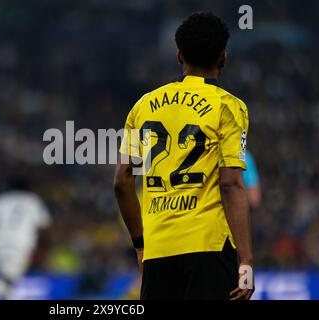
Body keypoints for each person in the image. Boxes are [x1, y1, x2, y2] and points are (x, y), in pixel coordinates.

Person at [114, 12, 254, 300]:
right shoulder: (229, 107)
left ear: (179, 55)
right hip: (209, 248)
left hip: (158, 252)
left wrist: (141, 244)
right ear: (223, 57)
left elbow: (122, 181)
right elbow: (231, 184)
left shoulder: (143, 106)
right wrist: (246, 261)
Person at [0, 176, 51, 299]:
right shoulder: (33, 201)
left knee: (5, 278)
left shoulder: (0, 199)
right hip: (21, 243)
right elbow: (45, 223)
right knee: (11, 279)